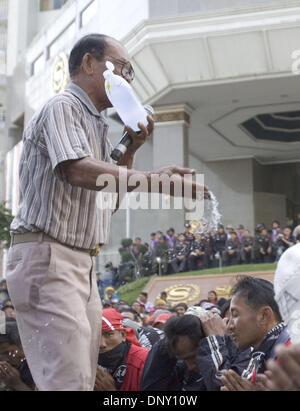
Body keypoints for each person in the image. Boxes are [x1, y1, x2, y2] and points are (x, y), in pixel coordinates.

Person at [6, 33, 208, 391]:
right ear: (88, 63)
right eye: (123, 68)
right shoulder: (63, 107)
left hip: (79, 261)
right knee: (66, 381)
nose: (128, 79)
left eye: (131, 72)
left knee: (79, 379)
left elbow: (107, 200)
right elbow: (75, 170)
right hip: (49, 253)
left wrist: (131, 147)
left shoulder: (98, 124)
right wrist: (152, 178)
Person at [141, 307, 251, 391]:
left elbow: (221, 386)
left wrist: (214, 343)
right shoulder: (182, 369)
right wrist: (166, 342)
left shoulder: (244, 356)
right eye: (184, 360)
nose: (190, 366)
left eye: (193, 358)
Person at [221, 276, 290, 391]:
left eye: (235, 315)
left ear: (264, 315)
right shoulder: (259, 357)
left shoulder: (291, 354)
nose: (229, 326)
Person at [95, 308, 149, 391]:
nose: (101, 344)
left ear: (123, 335)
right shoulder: (85, 361)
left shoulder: (144, 360)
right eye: (95, 335)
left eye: (109, 334)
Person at [0, 320, 34, 391]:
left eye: (7, 353)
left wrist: (17, 384)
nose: (4, 359)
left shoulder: (38, 369)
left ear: (23, 346)